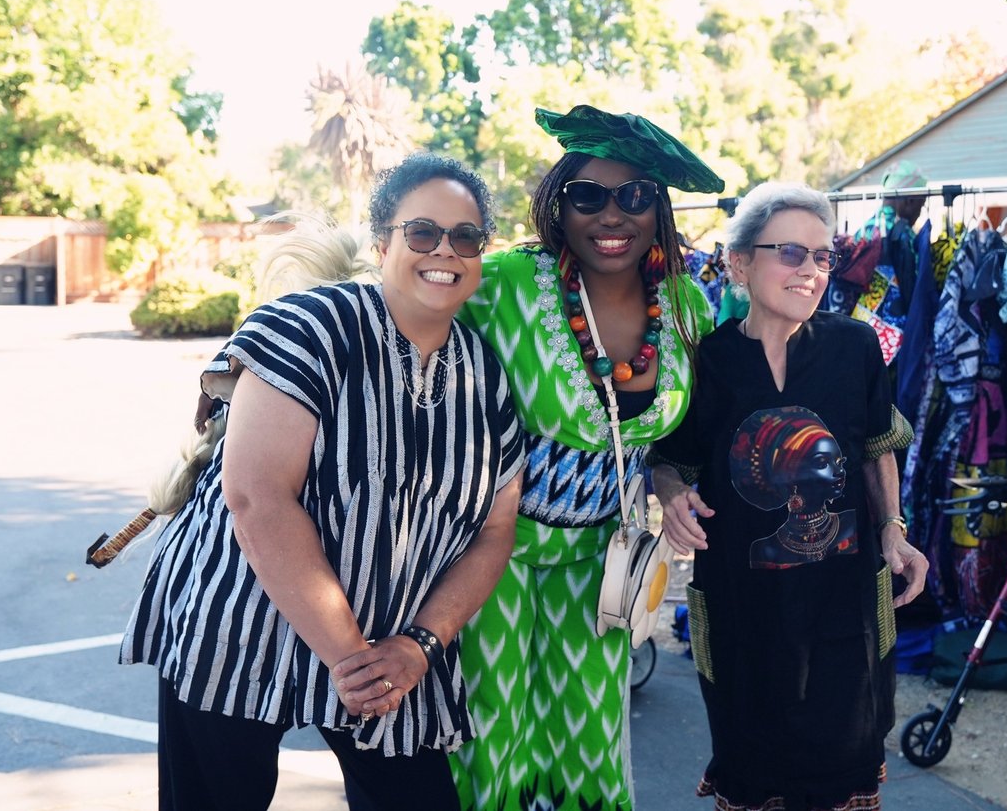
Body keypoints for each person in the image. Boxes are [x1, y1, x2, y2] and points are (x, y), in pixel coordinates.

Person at [120, 153, 526, 811]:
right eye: (422, 232)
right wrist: (351, 659)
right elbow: (257, 498)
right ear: (382, 243)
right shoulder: (307, 329)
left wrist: (417, 647)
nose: (444, 250)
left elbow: (494, 529)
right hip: (242, 628)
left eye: (466, 237)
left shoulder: (485, 374)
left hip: (390, 648)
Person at [449, 104, 722, 811]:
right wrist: (257, 360)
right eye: (589, 196)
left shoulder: (687, 305)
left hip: (605, 553)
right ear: (558, 204)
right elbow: (393, 315)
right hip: (492, 550)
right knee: (491, 729)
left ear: (657, 208)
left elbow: (668, 438)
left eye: (635, 196)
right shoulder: (506, 283)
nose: (613, 215)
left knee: (589, 730)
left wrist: (668, 480)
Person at [650, 181, 928, 811]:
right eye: (792, 254)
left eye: (823, 256)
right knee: (752, 760)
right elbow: (669, 459)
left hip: (844, 605)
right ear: (741, 264)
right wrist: (669, 494)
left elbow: (876, 445)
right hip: (741, 606)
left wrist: (894, 528)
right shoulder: (706, 362)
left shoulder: (856, 348)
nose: (812, 271)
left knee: (843, 758)